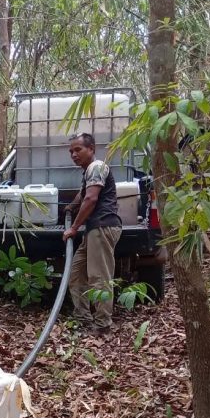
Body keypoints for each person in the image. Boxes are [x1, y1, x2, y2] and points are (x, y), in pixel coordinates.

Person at [62, 132, 123, 335]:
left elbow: (90, 199)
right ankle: (83, 317)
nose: (73, 154)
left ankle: (103, 324)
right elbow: (84, 194)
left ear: (92, 149)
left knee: (99, 277)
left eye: (78, 149)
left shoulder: (97, 167)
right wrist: (71, 206)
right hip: (94, 229)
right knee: (76, 273)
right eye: (71, 151)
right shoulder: (89, 171)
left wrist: (73, 227)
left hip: (103, 226)